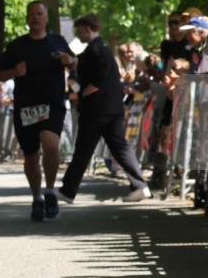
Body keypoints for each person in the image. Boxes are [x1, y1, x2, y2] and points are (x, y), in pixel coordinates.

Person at [0, 0, 75, 221]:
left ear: (46, 18)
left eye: (39, 14)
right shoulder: (17, 46)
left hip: (53, 103)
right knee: (30, 156)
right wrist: (14, 72)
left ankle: (50, 191)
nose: (35, 18)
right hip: (26, 105)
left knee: (50, 146)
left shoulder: (57, 41)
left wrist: (70, 60)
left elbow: (74, 62)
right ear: (27, 18)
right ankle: (37, 197)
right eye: (31, 14)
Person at [58, 15, 151, 204]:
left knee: (83, 150)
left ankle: (68, 190)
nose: (78, 34)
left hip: (97, 109)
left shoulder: (96, 50)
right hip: (111, 108)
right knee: (120, 147)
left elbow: (97, 78)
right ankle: (140, 185)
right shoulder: (101, 49)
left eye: (79, 30)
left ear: (86, 29)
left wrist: (84, 93)